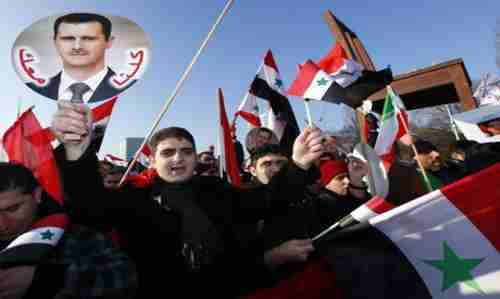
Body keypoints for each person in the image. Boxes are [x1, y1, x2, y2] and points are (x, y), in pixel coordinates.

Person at [51, 101, 324, 298]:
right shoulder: (133, 198)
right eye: (168, 153)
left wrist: (298, 164)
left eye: (186, 151)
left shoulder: (216, 189)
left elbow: (266, 200)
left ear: (195, 157)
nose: (178, 158)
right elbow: (87, 209)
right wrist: (75, 152)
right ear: (151, 159)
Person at [0, 162, 137, 299]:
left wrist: (48, 279)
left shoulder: (77, 237)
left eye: (12, 209)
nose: (2, 225)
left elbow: (125, 278)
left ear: (37, 195)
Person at [26, 13, 135, 103]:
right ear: (55, 42)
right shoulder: (38, 89)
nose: (77, 47)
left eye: (88, 38)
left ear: (109, 42)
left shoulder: (130, 91)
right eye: (68, 38)